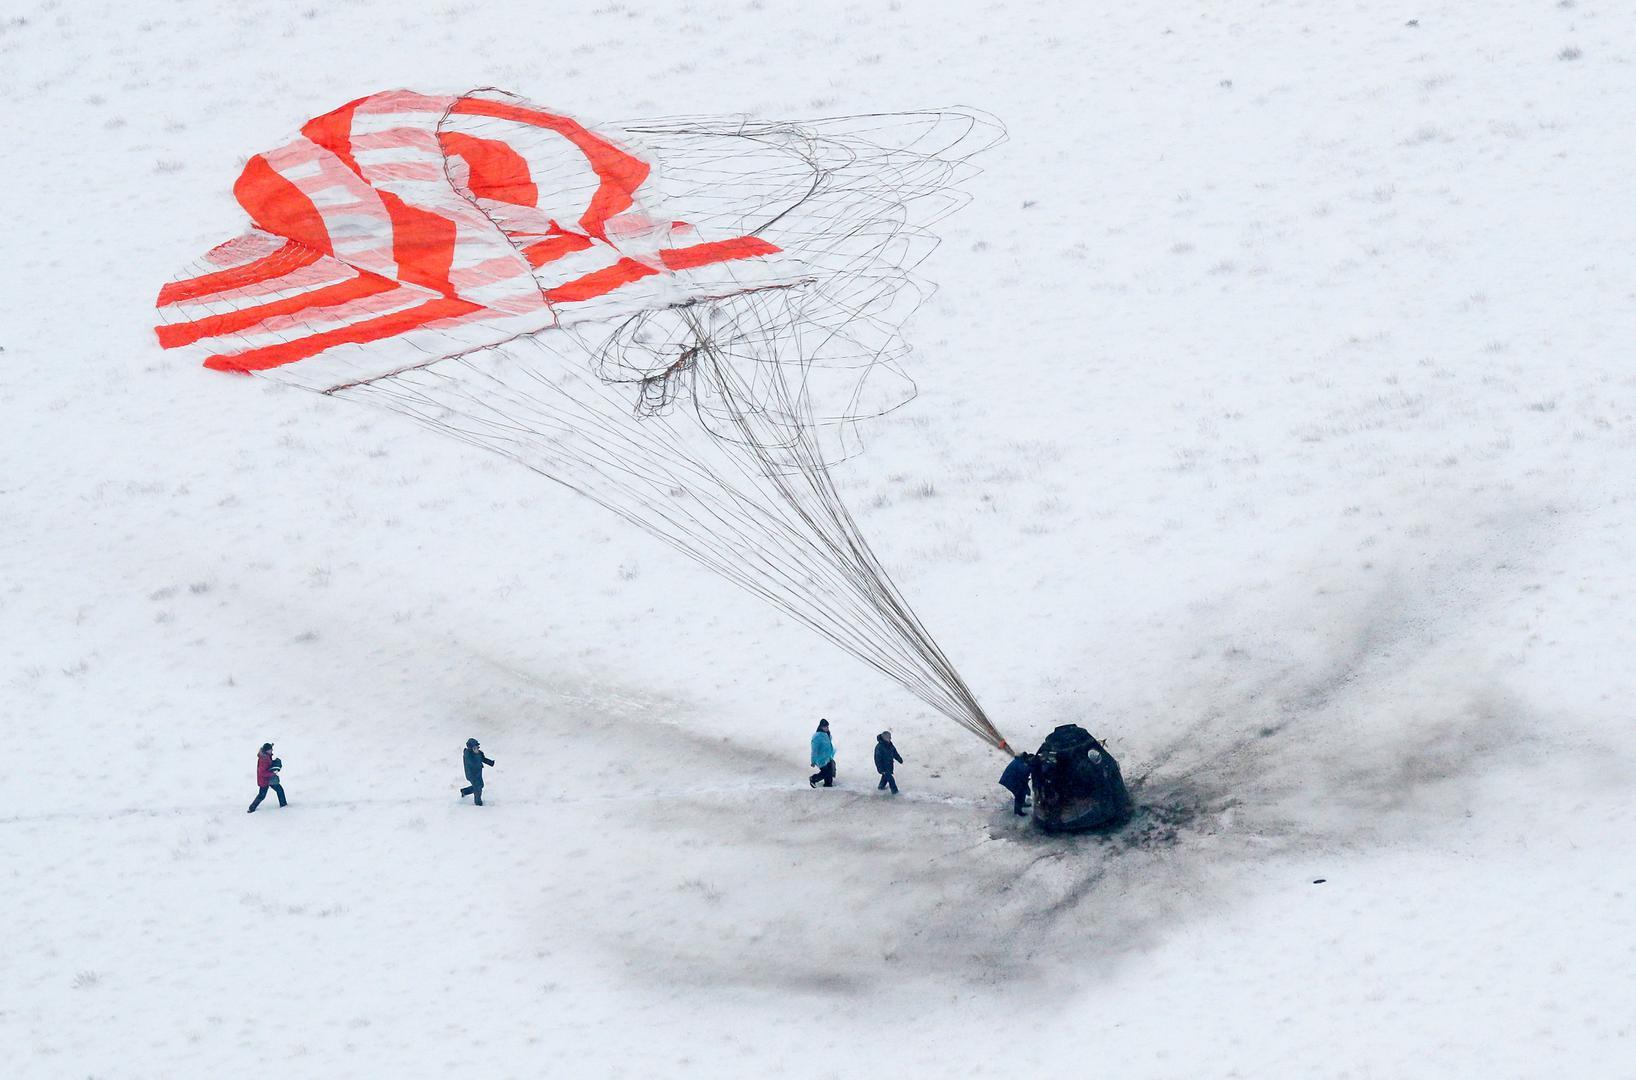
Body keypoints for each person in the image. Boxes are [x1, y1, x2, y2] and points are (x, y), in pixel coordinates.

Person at [247, 742, 287, 813]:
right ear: (267, 750)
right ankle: (251, 808)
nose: (272, 751)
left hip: (269, 779)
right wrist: (273, 773)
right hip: (264, 780)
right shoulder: (263, 759)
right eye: (271, 750)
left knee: (279, 790)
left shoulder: (266, 755)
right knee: (262, 795)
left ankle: (283, 805)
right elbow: (262, 773)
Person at [999, 752, 1036, 816]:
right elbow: (1022, 780)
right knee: (1019, 794)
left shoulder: (1020, 760)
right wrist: (1027, 788)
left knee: (1022, 791)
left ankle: (1022, 803)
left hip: (1011, 778)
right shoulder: (1023, 766)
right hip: (1010, 780)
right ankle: (1018, 811)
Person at [460, 738, 494, 805]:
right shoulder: (467, 755)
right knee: (477, 787)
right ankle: (478, 802)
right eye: (475, 748)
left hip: (478, 772)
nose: (477, 749)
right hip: (471, 774)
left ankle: (464, 791)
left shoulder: (479, 753)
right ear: (470, 748)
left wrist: (490, 762)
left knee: (480, 785)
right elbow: (472, 763)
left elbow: (483, 759)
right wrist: (476, 755)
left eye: (477, 747)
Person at [808, 719, 836, 788]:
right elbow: (814, 750)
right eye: (825, 726)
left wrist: (831, 754)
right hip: (820, 759)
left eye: (827, 726)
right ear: (820, 727)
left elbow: (829, 745)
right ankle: (813, 779)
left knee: (830, 772)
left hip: (828, 757)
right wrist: (813, 761)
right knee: (825, 772)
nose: (827, 728)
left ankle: (828, 784)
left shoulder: (827, 734)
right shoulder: (817, 736)